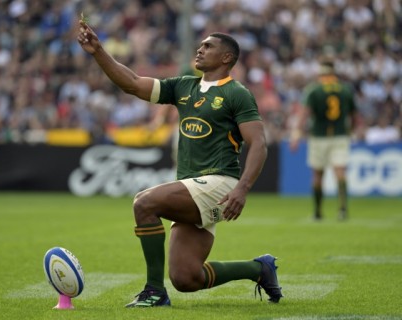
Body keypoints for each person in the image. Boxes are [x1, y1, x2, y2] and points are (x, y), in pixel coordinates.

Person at [77, 19, 283, 307]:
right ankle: (259, 269)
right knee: (187, 278)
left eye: (208, 46)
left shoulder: (237, 93)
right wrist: (98, 51)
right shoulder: (184, 86)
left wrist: (243, 188)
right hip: (193, 185)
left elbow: (258, 143)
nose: (200, 49)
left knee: (144, 203)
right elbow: (134, 84)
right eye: (200, 45)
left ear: (226, 58)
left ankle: (153, 291)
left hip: (219, 182)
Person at [290, 58, 357, 221]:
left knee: (317, 174)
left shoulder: (314, 90)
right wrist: (350, 130)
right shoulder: (345, 89)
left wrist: (296, 134)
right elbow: (354, 115)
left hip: (319, 135)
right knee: (340, 172)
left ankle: (318, 212)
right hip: (340, 134)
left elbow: (304, 114)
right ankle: (342, 209)